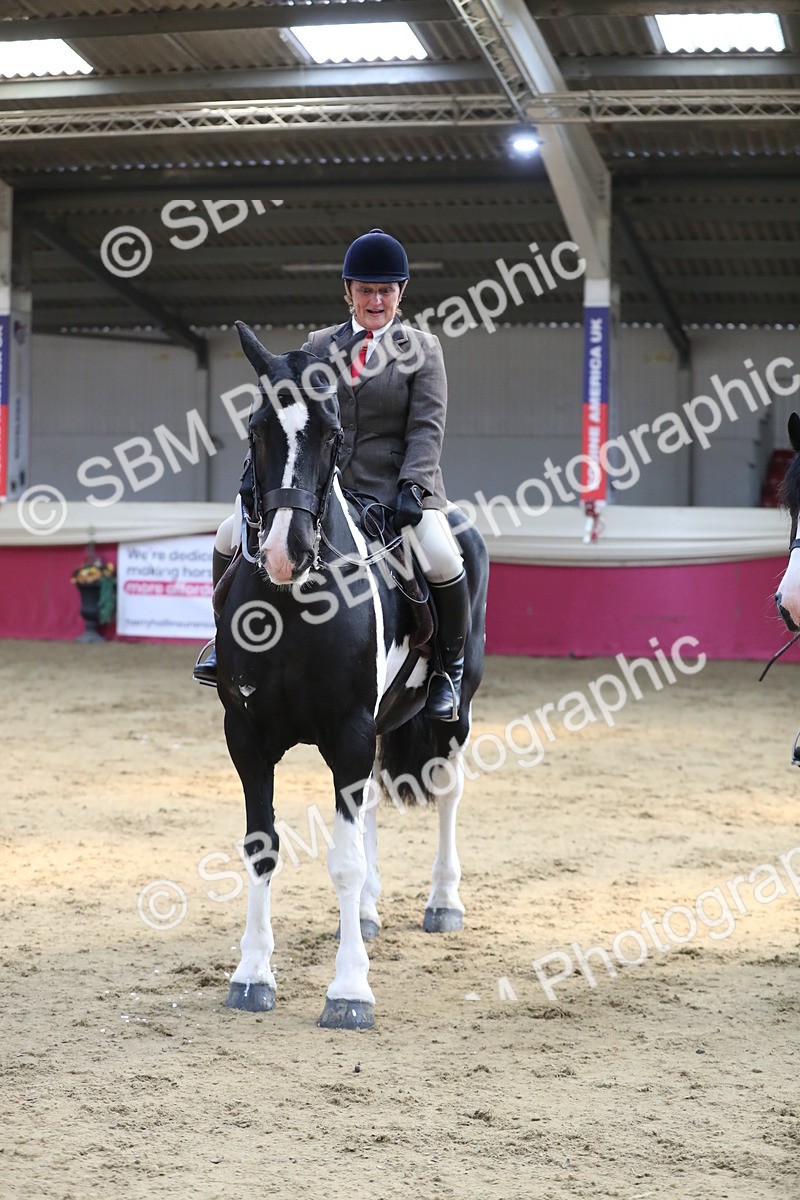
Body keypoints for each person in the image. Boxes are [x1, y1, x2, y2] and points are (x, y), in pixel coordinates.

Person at [194, 228, 469, 722]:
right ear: (348, 292)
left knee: (444, 557)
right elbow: (286, 417)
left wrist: (414, 485)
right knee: (229, 532)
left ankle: (448, 669)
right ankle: (223, 641)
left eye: (386, 290)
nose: (376, 300)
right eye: (365, 290)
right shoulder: (319, 345)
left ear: (400, 293)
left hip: (398, 491)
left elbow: (428, 426)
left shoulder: (424, 349)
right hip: (324, 491)